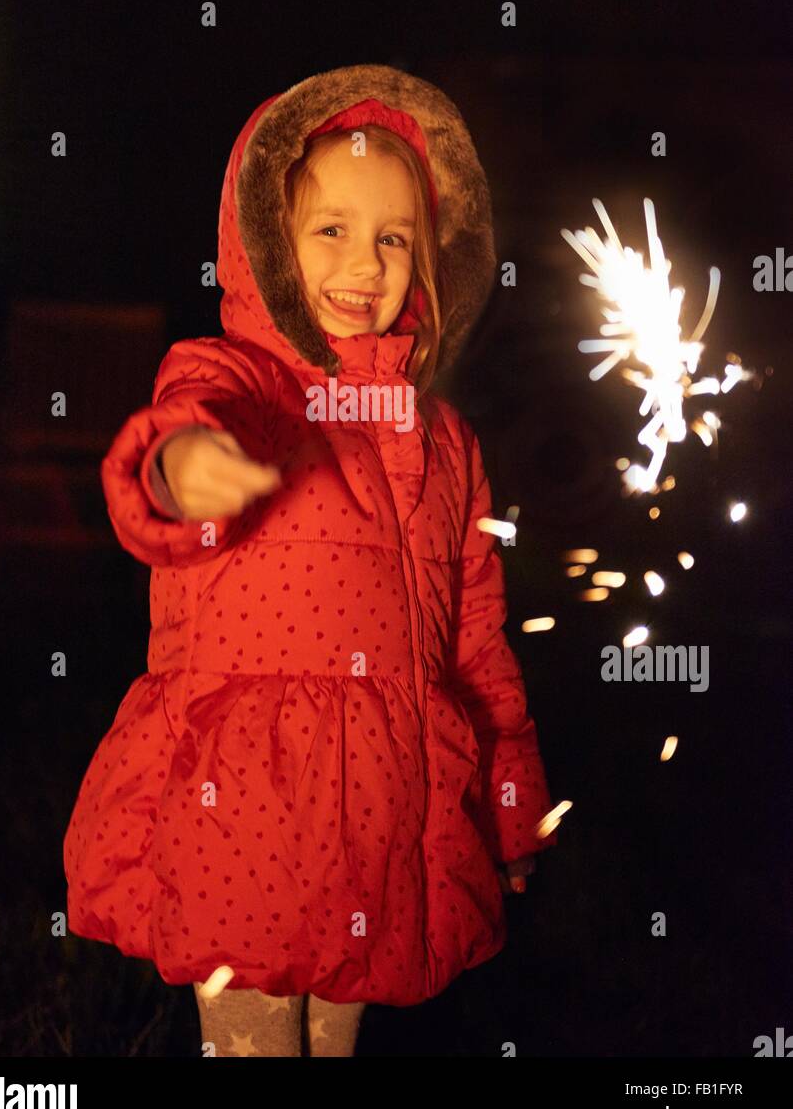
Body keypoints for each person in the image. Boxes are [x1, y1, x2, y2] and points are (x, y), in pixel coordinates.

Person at [63, 64, 557, 1057]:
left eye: (393, 237)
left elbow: (477, 641)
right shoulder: (236, 379)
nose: (363, 264)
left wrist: (511, 802)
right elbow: (173, 442)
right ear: (267, 247)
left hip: (385, 812)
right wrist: (184, 466)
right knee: (251, 1043)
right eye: (331, 229)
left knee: (334, 1042)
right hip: (244, 804)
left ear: (431, 257)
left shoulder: (445, 438)